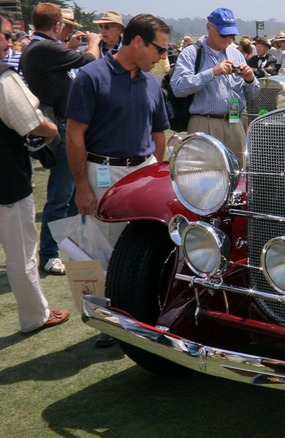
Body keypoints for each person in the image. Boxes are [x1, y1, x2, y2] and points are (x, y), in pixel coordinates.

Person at [66, 13, 170, 247]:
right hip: (104, 175)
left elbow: (159, 134)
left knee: (145, 246)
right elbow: (74, 133)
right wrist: (82, 187)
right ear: (138, 42)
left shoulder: (152, 83)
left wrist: (153, 177)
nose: (163, 56)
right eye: (159, 49)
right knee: (105, 250)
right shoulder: (91, 77)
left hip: (144, 173)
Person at [0, 11, 70, 333]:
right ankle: (35, 316)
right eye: (6, 35)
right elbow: (32, 122)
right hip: (8, 181)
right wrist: (53, 131)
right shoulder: (3, 77)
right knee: (22, 253)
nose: (11, 42)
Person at [20, 3, 100, 276]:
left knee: (66, 196)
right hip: (61, 126)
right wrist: (95, 43)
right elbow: (90, 61)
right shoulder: (43, 48)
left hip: (63, 124)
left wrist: (70, 45)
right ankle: (50, 254)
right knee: (61, 195)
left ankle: (62, 247)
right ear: (56, 26)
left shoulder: (39, 47)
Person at [170, 7, 260, 165]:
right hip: (205, 122)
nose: (228, 40)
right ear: (209, 27)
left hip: (235, 121)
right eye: (224, 34)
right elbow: (178, 88)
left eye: (232, 35)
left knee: (238, 174)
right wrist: (212, 72)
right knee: (204, 175)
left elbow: (253, 95)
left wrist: (250, 80)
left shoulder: (237, 54)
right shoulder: (191, 53)